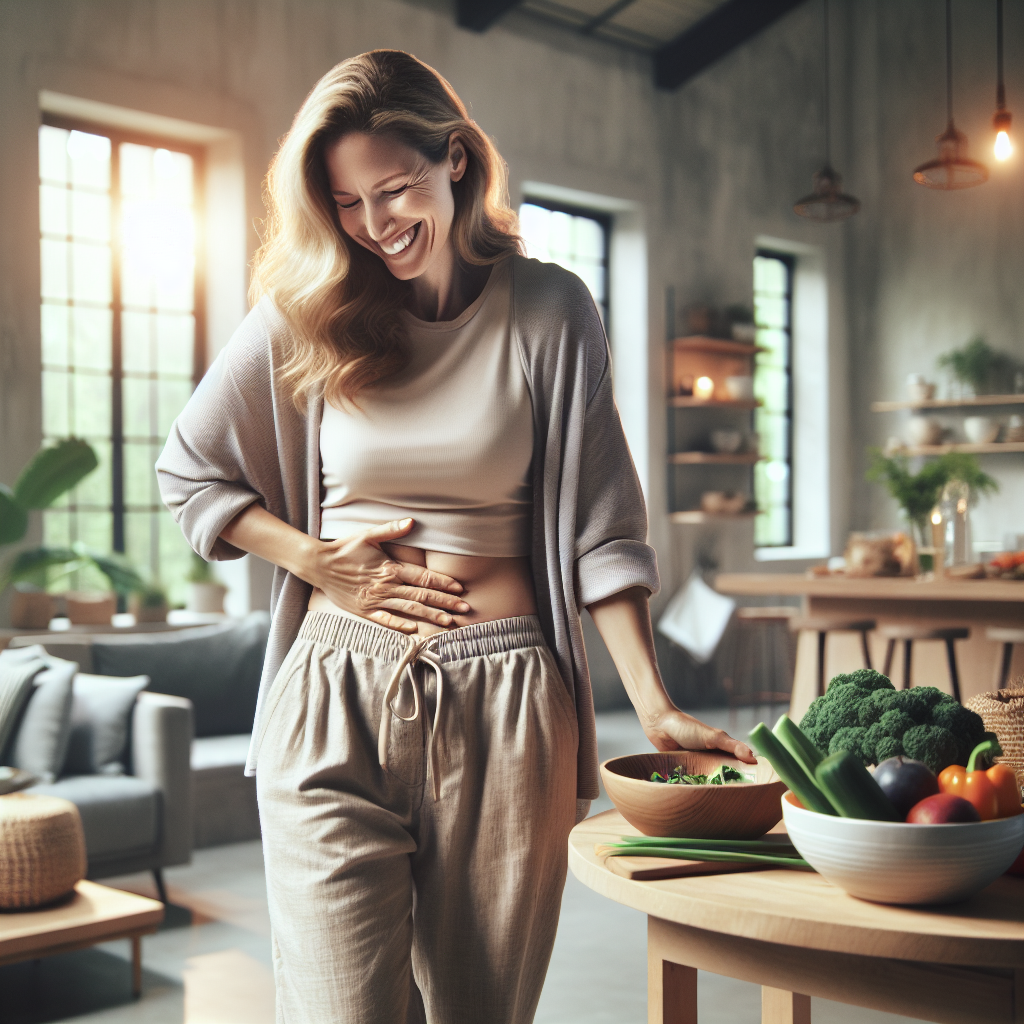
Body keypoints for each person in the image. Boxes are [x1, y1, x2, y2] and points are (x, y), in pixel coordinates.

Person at [157, 49, 754, 1024]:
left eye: (394, 189)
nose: (375, 224)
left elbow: (602, 529)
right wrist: (316, 562)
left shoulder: (552, 310)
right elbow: (189, 472)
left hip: (509, 707)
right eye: (346, 203)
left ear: (458, 162)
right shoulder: (307, 314)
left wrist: (651, 704)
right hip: (333, 693)